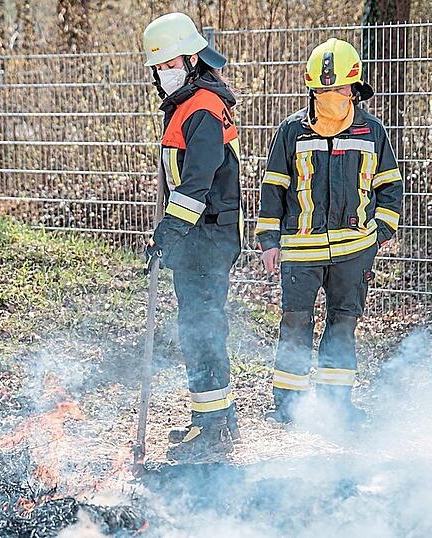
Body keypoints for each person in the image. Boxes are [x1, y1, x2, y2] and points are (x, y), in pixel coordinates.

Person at [255, 38, 404, 427]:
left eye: (338, 89)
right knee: (295, 324)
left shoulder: (372, 131)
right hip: (301, 252)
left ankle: (336, 406)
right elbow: (273, 188)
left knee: (343, 324)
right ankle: (288, 406)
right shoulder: (292, 131)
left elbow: (390, 185)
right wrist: (268, 241)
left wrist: (381, 231)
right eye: (323, 90)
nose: (331, 96)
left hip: (354, 252)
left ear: (353, 88)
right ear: (311, 90)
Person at [142, 12, 243, 461]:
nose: (164, 73)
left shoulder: (201, 107)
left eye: (169, 65)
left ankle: (212, 428)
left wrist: (167, 234)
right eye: (158, 67)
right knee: (202, 327)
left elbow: (196, 185)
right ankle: (218, 418)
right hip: (198, 239)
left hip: (206, 240)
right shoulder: (189, 104)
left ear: (191, 60)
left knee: (201, 330)